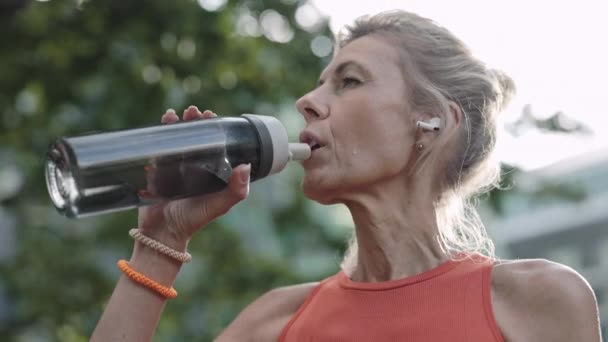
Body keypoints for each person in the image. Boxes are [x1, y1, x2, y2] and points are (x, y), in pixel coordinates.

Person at [91, 10, 602, 342]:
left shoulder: (536, 302)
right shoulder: (275, 323)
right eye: (318, 85)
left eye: (349, 81)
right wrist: (159, 242)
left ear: (431, 123)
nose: (307, 103)